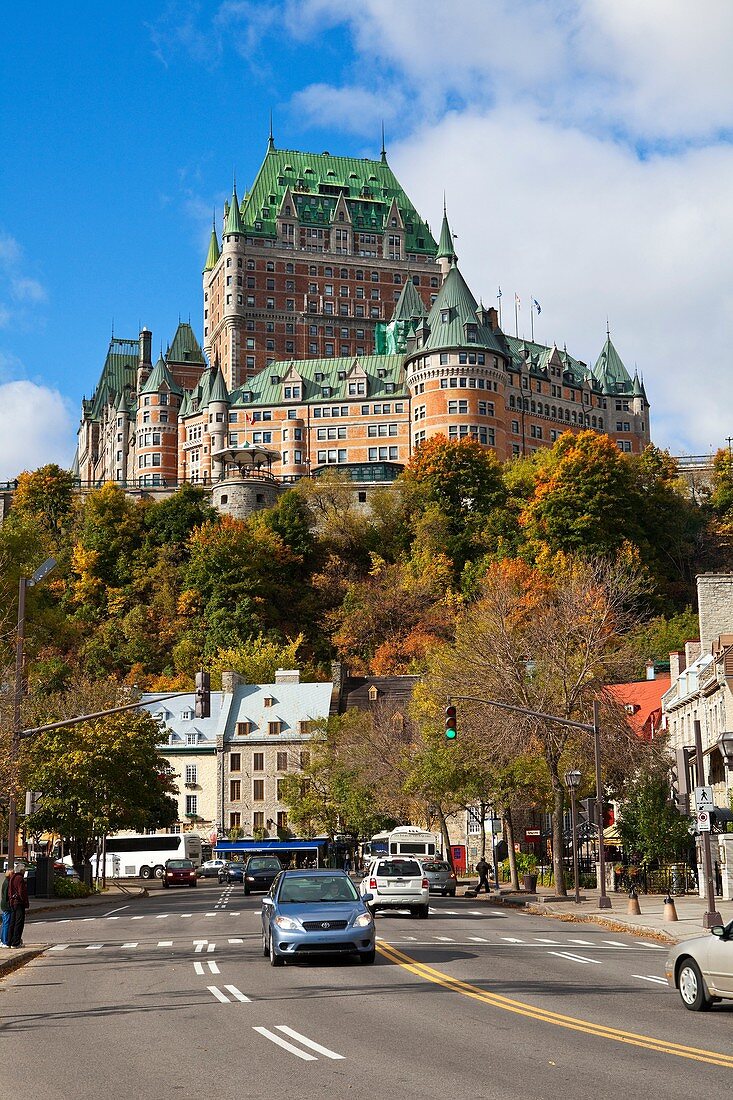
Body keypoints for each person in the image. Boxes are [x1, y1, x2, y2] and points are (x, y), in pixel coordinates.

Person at [7, 863, 29, 948]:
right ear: (21, 871)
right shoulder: (20, 879)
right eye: (24, 870)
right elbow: (22, 892)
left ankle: (9, 941)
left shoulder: (12, 878)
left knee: (12, 922)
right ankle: (16, 942)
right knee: (19, 922)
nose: (24, 872)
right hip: (19, 902)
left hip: (12, 902)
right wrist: (25, 902)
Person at [0, 868, 12, 947]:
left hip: (4, 904)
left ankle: (2, 939)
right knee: (7, 923)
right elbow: (6, 895)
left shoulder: (5, 881)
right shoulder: (8, 882)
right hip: (7, 905)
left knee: (5, 923)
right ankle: (4, 940)